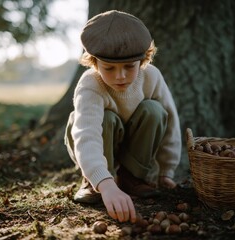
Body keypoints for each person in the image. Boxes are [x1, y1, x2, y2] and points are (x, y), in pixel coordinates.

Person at [64, 10, 182, 223]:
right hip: (99, 146)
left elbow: (170, 121)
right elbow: (86, 134)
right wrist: (106, 183)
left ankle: (133, 178)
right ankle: (94, 181)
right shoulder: (90, 84)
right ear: (94, 62)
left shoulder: (151, 77)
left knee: (155, 110)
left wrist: (167, 170)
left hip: (134, 148)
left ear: (143, 60)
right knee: (106, 118)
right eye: (109, 68)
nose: (120, 76)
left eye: (129, 66)